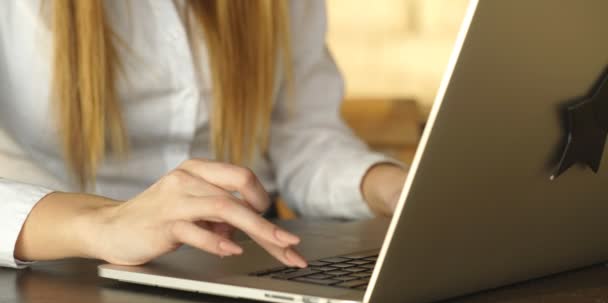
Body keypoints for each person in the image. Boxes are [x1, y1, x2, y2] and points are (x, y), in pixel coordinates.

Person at [0, 0, 407, 270]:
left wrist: (387, 185)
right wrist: (102, 223)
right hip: (53, 271)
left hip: (242, 261)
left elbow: (300, 136)